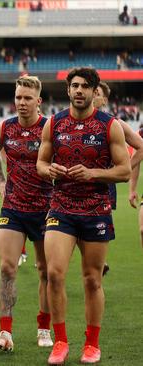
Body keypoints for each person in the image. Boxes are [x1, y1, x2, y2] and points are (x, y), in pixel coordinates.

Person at [36, 67, 130, 364]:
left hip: (96, 209)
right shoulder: (54, 122)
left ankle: (92, 344)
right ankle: (60, 341)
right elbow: (40, 161)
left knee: (92, 280)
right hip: (61, 207)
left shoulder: (109, 125)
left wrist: (93, 174)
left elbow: (125, 170)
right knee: (53, 273)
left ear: (94, 91)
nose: (79, 90)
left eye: (85, 86)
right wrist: (47, 169)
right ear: (68, 90)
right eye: (74, 86)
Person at [0, 76, 53, 352]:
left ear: (39, 101)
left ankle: (44, 327)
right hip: (13, 207)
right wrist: (1, 181)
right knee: (6, 267)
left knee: (46, 271)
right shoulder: (6, 127)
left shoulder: (51, 127)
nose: (21, 103)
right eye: (18, 97)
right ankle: (5, 332)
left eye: (27, 98)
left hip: (47, 209)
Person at [94, 81, 143, 276]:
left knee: (97, 226)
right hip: (75, 184)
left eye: (97, 92)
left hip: (105, 184)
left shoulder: (114, 123)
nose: (92, 94)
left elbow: (141, 147)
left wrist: (121, 170)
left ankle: (98, 262)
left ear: (104, 99)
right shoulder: (69, 121)